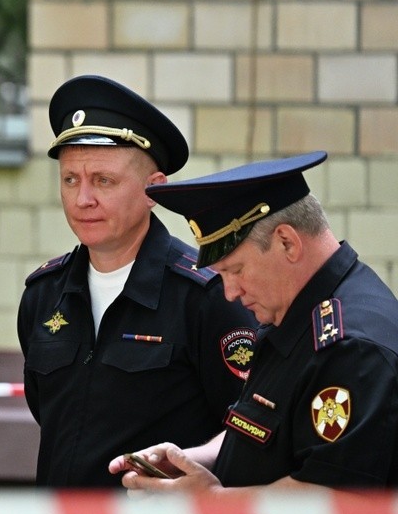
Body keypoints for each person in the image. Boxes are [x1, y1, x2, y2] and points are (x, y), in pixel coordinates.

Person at [18, 74, 259, 491]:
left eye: (104, 181)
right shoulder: (44, 296)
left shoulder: (206, 295)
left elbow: (249, 431)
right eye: (70, 179)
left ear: (154, 191)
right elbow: (51, 417)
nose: (82, 199)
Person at [110, 151, 398, 492]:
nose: (230, 292)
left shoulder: (351, 348)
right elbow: (261, 434)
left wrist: (212, 502)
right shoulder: (291, 314)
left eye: (236, 270)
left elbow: (332, 497)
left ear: (287, 242)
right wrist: (190, 460)